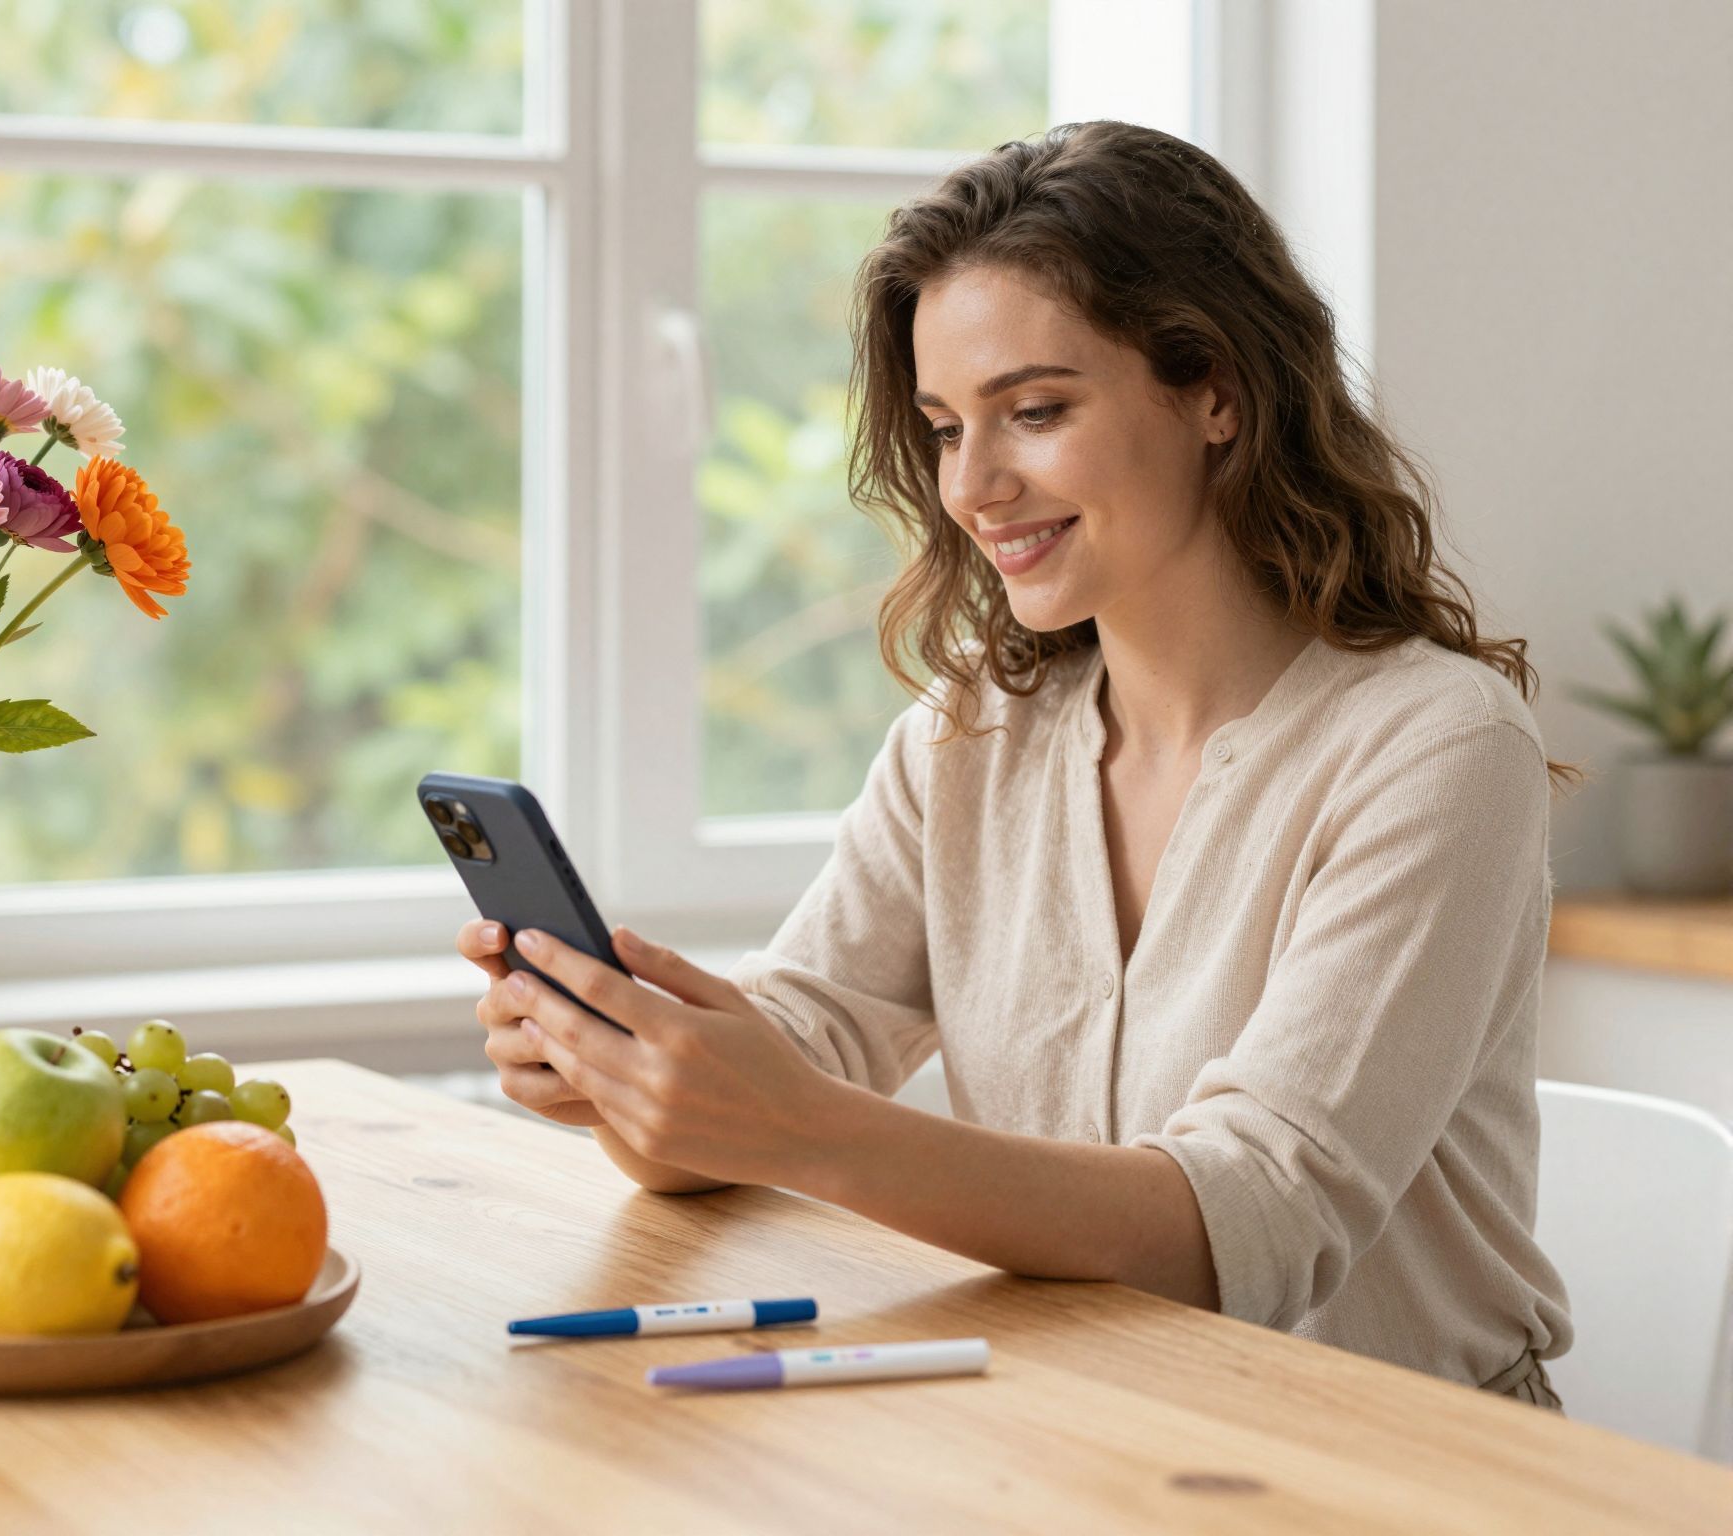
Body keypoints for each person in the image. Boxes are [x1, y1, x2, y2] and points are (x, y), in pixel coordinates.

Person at [458, 121, 1573, 1409]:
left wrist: (786, 1121)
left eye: (1034, 411)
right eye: (942, 427)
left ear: (1215, 388)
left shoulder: (1437, 749)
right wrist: (638, 1066)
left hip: (1403, 1470)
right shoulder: (973, 731)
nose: (973, 487)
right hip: (1082, 1437)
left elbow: (1250, 1217)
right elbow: (811, 1034)